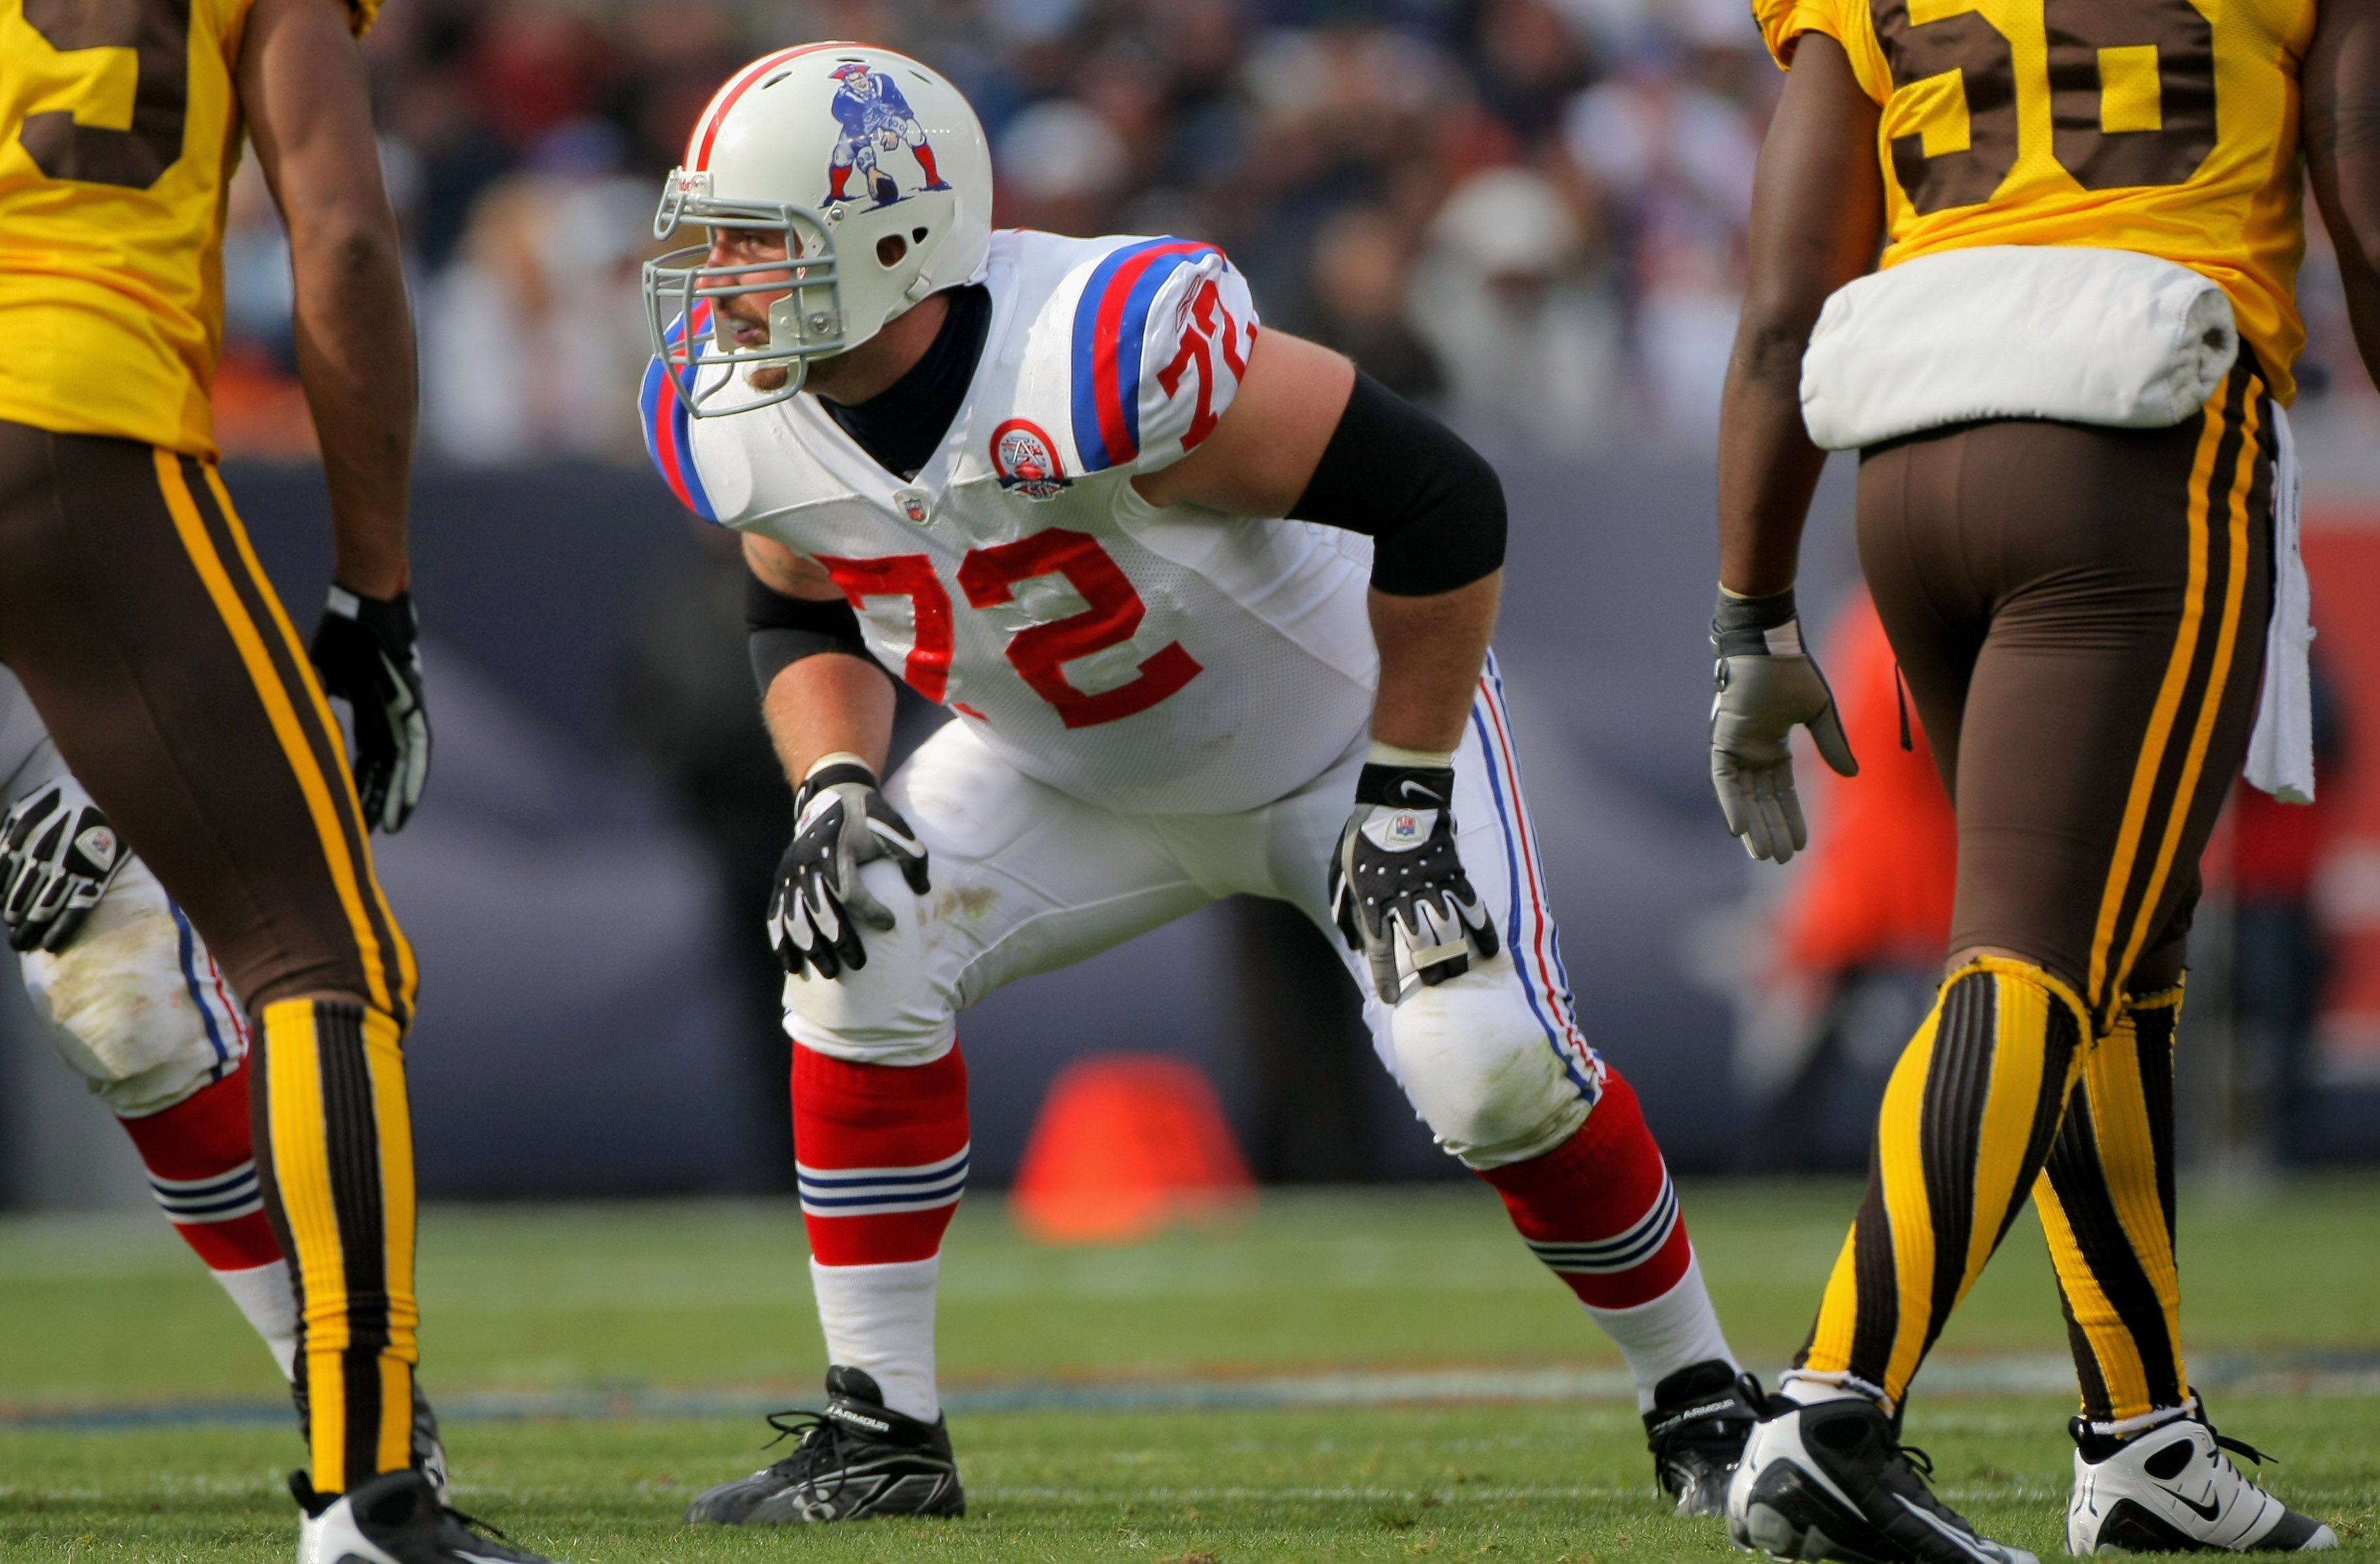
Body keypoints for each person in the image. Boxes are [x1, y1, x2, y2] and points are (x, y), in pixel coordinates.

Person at [639, 41, 1760, 1526]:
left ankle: (1701, 1399)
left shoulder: (1097, 345)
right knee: (858, 940)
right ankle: (882, 1432)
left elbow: (1442, 501)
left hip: (1341, 745)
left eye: (757, 251)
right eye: (713, 252)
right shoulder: (738, 412)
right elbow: (799, 598)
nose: (720, 292)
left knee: (1482, 1066)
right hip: (1063, 768)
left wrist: (1408, 788)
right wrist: (835, 779)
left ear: (892, 234)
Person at [1703, 0, 2379, 1554]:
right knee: (2040, 945)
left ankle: (2141, 1437)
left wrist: (1749, 609)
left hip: (1913, 458)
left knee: (2115, 955)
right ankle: (1831, 1405)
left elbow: (1784, 302)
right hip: (2137, 428)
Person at [0, 1, 556, 1558]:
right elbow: (349, 245)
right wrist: (373, 588)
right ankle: (369, 1486)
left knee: (117, 973)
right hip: (66, 418)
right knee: (320, 952)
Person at [0, 671, 447, 1491]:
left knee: (134, 1012)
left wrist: (112, 759)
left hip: (34, 719)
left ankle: (336, 1378)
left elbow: (126, 556)